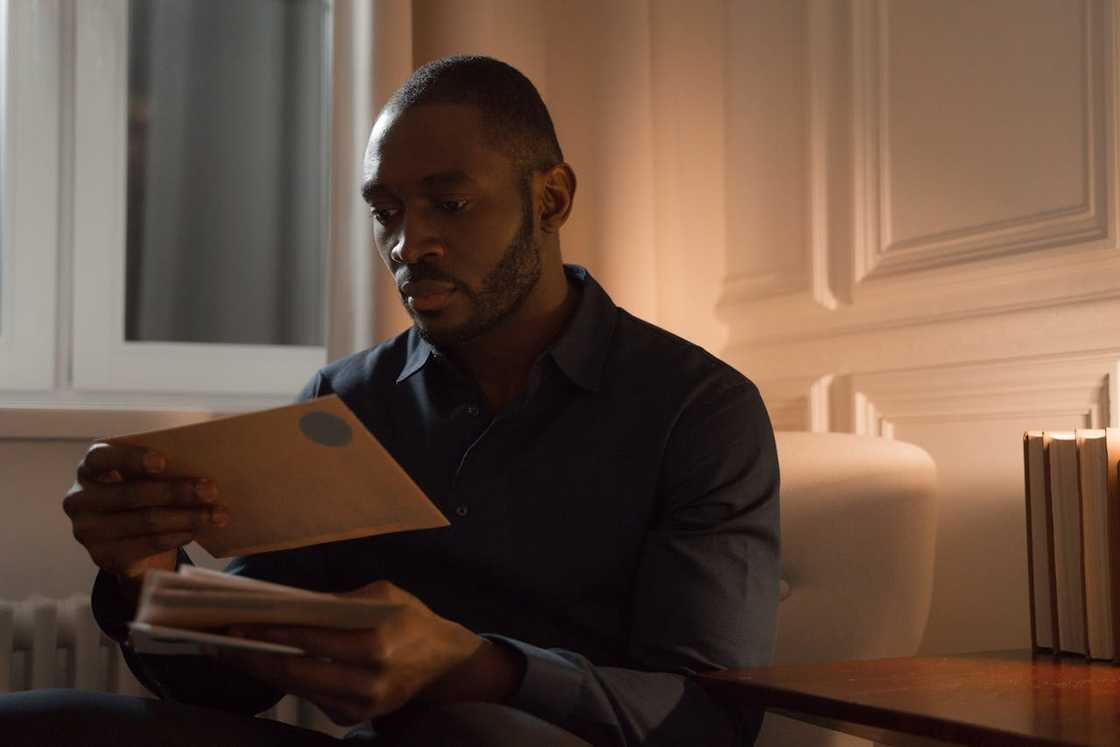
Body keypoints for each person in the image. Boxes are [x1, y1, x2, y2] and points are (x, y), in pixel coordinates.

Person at [3, 55, 780, 746]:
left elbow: (707, 719)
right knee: (32, 722)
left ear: (551, 199)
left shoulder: (700, 411)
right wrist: (149, 574)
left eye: (449, 203)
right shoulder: (344, 403)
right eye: (387, 211)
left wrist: (480, 667)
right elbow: (235, 688)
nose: (410, 245)